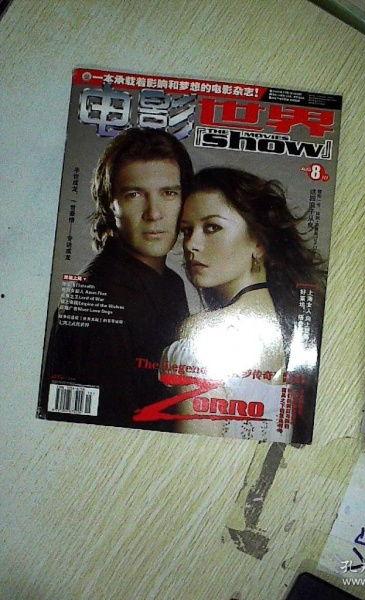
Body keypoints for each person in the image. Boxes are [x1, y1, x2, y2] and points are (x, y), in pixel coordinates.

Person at [155, 167, 325, 442]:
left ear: (258, 242)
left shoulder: (202, 329)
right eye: (186, 231)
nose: (191, 245)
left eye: (212, 227)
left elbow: (194, 455)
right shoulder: (297, 329)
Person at [41, 128, 194, 429]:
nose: (154, 213)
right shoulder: (96, 295)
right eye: (134, 194)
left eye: (168, 193)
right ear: (110, 205)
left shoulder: (170, 282)